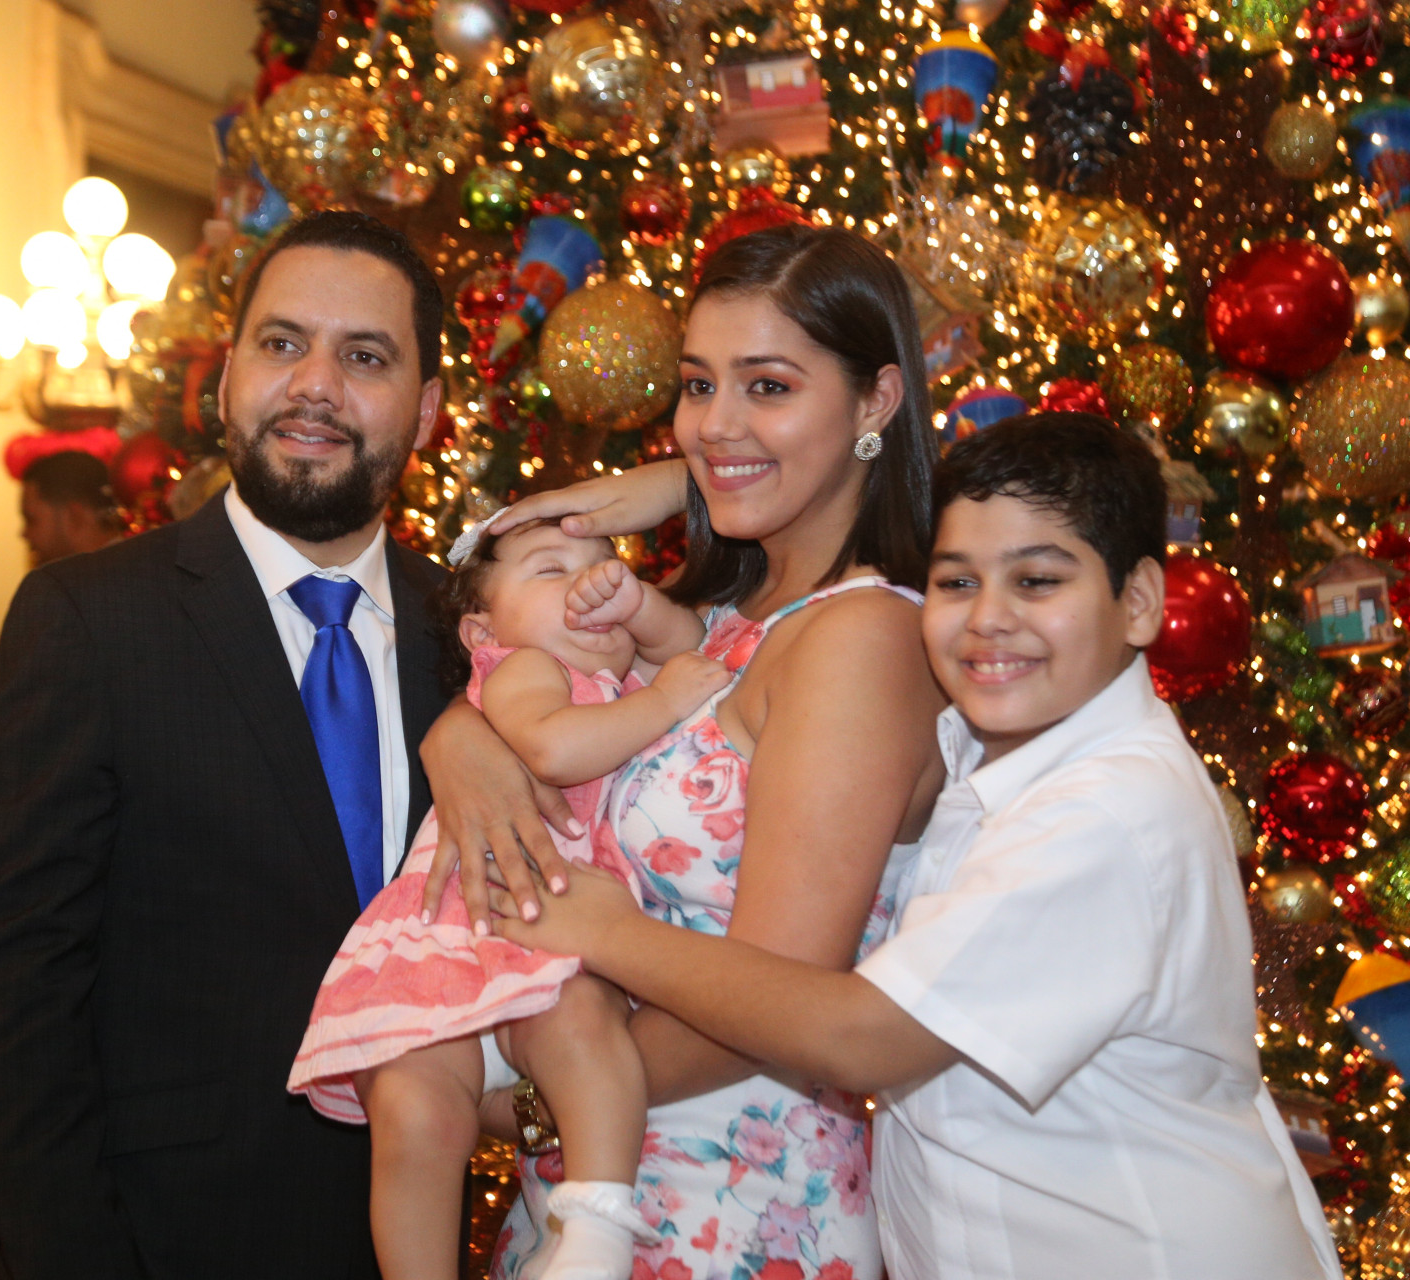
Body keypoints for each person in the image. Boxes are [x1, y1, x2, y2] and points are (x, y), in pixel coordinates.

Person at [489, 414, 1343, 1280]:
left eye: (1038, 581)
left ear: (1141, 601)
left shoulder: (1107, 809)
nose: (989, 619)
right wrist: (683, 481)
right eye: (957, 581)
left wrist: (608, 935)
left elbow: (863, 1036)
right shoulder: (992, 742)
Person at [0, 209, 564, 1280]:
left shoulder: (479, 646)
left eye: (365, 356)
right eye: (283, 343)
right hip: (161, 1242)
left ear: (427, 409)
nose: (315, 386)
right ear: (229, 372)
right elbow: (20, 990)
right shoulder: (89, 621)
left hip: (427, 1238)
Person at [422, 224, 947, 1275]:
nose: (716, 423)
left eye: (768, 385)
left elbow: (780, 992)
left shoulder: (861, 637)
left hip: (734, 1207)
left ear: (877, 401)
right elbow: (526, 687)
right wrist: (458, 742)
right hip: (590, 1194)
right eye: (698, 385)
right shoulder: (716, 616)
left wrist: (526, 1106)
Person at [290, 518, 728, 1280]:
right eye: (553, 571)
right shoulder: (525, 668)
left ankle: (594, 1235)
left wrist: (634, 606)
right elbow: (553, 748)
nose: (588, 584)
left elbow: (691, 640)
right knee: (414, 1110)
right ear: (481, 631)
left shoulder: (620, 678)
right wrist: (663, 703)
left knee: (586, 1037)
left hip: (551, 945)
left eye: (605, 566)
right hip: (465, 930)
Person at [17, 449, 125, 566]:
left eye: (31, 520)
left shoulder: (119, 572)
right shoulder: (124, 565)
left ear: (75, 516)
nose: (24, 534)